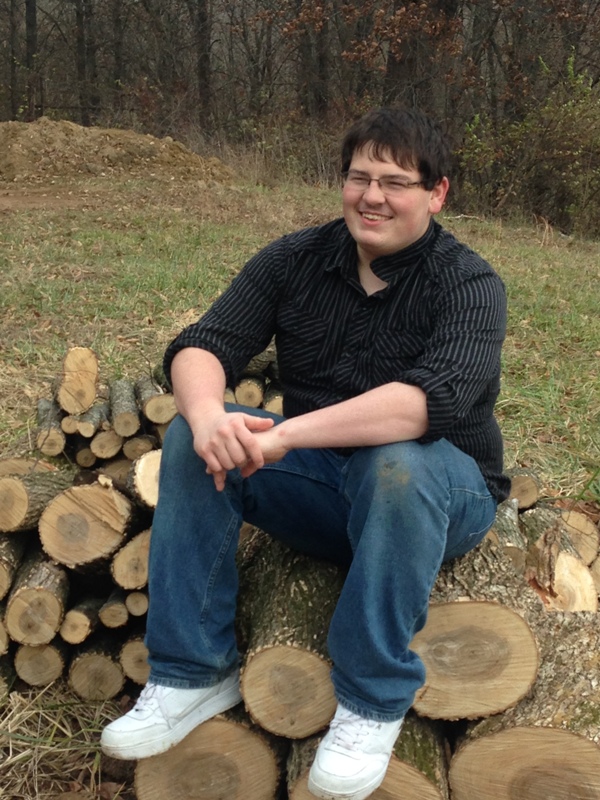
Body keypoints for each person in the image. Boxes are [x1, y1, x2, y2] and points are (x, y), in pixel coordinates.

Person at [101, 106, 510, 800]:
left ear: (436, 193)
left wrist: (284, 435)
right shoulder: (294, 259)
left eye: (395, 182)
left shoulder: (469, 284)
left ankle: (371, 700)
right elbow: (204, 343)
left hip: (443, 494)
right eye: (359, 178)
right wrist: (208, 417)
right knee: (192, 435)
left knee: (397, 461)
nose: (372, 197)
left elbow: (422, 405)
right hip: (328, 485)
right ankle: (192, 672)